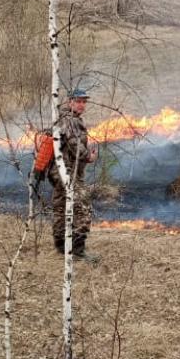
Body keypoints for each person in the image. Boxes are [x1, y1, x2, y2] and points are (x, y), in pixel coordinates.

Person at [46, 88, 99, 262]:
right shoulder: (70, 120)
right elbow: (74, 143)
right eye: (79, 101)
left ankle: (61, 246)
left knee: (61, 206)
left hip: (58, 171)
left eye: (84, 101)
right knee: (83, 206)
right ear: (70, 101)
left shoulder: (61, 117)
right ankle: (78, 249)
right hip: (67, 172)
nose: (82, 105)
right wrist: (88, 156)